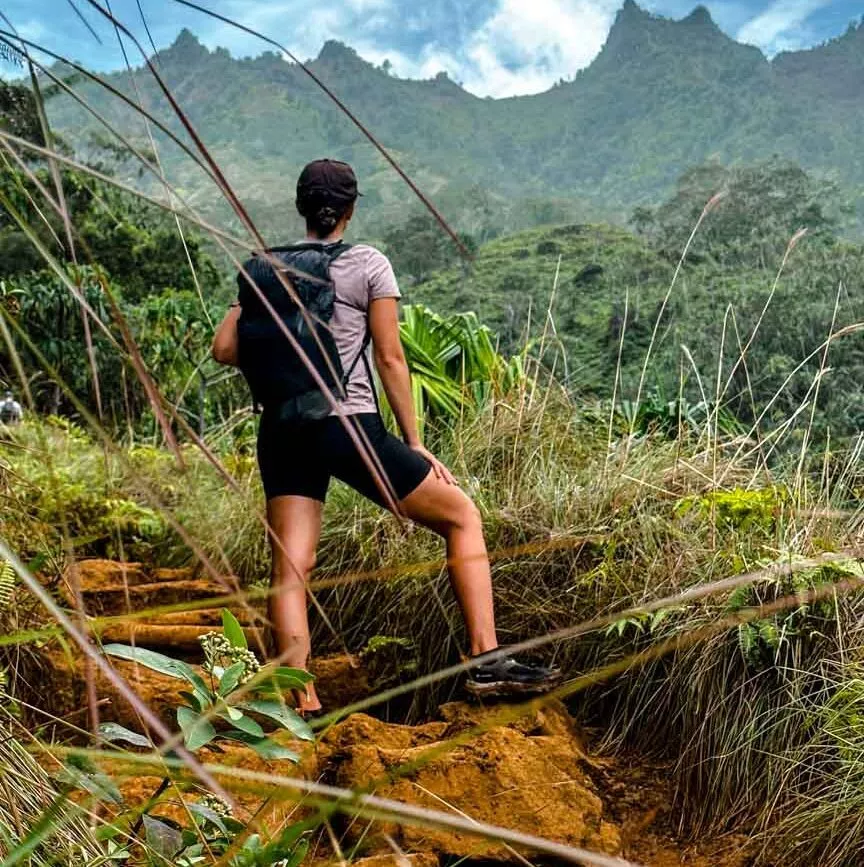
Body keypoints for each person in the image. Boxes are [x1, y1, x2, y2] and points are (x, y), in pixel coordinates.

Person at [212, 159, 560, 713]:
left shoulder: (260, 267)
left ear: (302, 206)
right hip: (346, 423)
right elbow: (391, 358)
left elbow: (225, 350)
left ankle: (301, 701)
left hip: (281, 430)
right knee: (460, 516)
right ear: (350, 208)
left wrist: (251, 292)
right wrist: (413, 441)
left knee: (291, 568)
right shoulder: (368, 263)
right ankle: (485, 659)